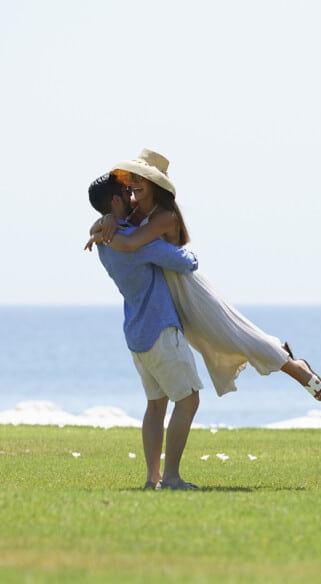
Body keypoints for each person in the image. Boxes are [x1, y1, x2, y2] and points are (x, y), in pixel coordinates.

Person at [86, 149, 321, 401]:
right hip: (166, 290)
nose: (133, 185)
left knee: (233, 334)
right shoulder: (133, 211)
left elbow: (132, 242)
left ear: (154, 183)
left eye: (139, 179)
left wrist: (106, 228)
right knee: (209, 342)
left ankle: (295, 368)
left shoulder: (164, 216)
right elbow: (115, 217)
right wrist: (107, 220)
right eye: (131, 179)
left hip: (187, 283)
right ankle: (280, 353)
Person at [88, 173, 202, 491]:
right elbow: (187, 262)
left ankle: (152, 478)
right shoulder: (137, 242)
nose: (132, 196)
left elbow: (112, 228)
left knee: (155, 405)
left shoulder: (104, 238)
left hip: (137, 334)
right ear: (114, 201)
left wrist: (106, 221)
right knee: (188, 400)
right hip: (161, 329)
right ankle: (173, 477)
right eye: (126, 192)